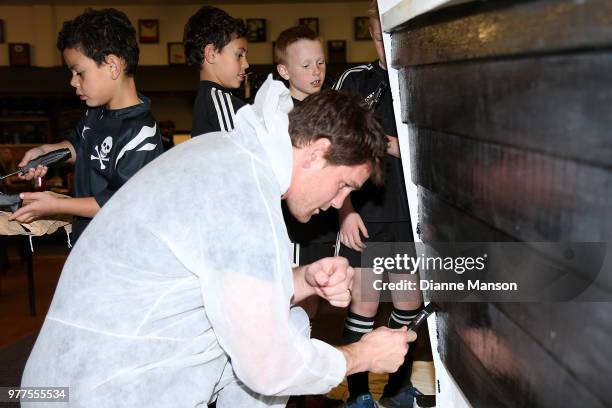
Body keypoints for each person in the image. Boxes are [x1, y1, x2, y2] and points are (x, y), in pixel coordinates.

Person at [20, 77, 417, 408]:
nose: (337, 204)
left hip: (78, 381)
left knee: (292, 320)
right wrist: (362, 355)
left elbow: (213, 284)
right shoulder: (243, 193)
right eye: (343, 185)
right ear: (316, 153)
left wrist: (304, 281)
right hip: (100, 391)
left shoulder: (230, 157)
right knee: (280, 347)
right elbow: (268, 366)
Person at [334, 2, 424, 407]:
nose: (382, 44)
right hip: (367, 214)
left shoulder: (420, 80)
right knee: (364, 304)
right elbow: (332, 150)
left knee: (408, 304)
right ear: (370, 35)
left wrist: (389, 144)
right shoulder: (355, 80)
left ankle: (396, 388)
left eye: (388, 35)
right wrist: (346, 210)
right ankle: (357, 396)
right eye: (375, 35)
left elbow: (431, 149)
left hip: (409, 215)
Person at [8, 8, 164, 243]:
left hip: (121, 254)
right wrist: (45, 152)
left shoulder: (141, 134)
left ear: (112, 65)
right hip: (88, 245)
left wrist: (59, 204)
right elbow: (78, 146)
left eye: (79, 72)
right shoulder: (97, 113)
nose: (73, 82)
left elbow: (120, 203)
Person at [275, 26, 337, 320]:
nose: (317, 70)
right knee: (292, 299)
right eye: (306, 65)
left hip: (322, 220)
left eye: (321, 62)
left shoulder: (328, 108)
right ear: (284, 71)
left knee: (313, 301)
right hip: (292, 224)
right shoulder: (279, 113)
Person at [185, 6, 249, 136]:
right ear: (211, 54)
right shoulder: (221, 103)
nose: (246, 64)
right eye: (239, 55)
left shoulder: (208, 100)